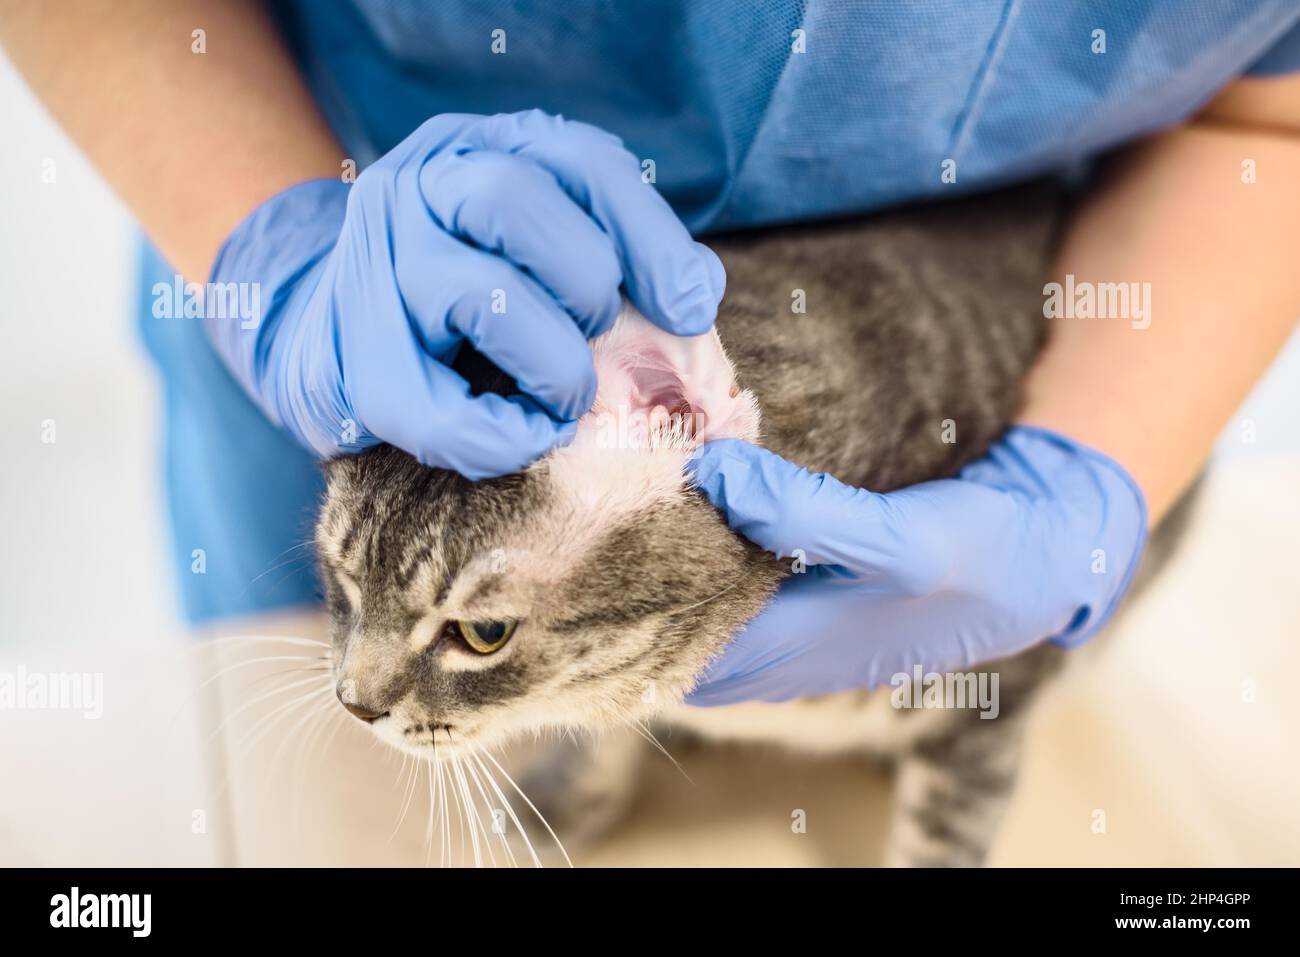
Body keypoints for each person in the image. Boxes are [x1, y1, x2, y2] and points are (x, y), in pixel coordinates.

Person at [3, 1, 1298, 705]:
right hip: (362, 267)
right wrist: (277, 253)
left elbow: (1272, 109)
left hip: (1014, 310)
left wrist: (1085, 467)